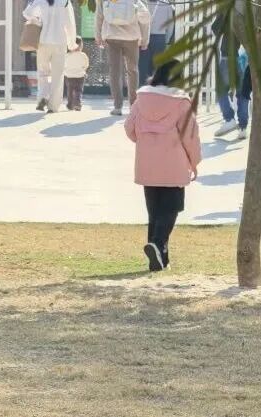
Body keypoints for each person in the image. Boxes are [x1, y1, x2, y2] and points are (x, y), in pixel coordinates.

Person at [124, 59, 202, 271]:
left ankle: (159, 259)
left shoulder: (141, 99)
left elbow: (129, 128)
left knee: (155, 212)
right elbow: (190, 137)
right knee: (171, 209)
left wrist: (145, 142)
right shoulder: (181, 102)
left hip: (147, 164)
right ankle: (158, 245)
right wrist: (194, 161)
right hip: (174, 165)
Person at [96, 0, 151, 116]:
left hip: (111, 36)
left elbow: (99, 16)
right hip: (132, 37)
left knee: (115, 72)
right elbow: (145, 19)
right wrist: (145, 40)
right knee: (133, 70)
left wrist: (98, 36)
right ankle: (133, 105)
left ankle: (117, 106)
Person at [23, 0, 77, 113]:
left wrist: (38, 19)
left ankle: (42, 97)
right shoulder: (65, 2)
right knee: (57, 75)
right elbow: (70, 23)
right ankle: (53, 105)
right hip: (60, 42)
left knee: (43, 72)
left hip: (43, 41)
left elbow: (27, 13)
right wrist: (72, 43)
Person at [138, 0, 174, 83]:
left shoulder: (142, 2)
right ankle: (156, 87)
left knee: (143, 66)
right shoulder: (166, 4)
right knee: (157, 66)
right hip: (160, 37)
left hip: (143, 36)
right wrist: (167, 39)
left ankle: (142, 87)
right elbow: (170, 24)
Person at [65, 36, 89, 111]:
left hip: (69, 76)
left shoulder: (67, 55)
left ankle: (70, 105)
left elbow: (64, 66)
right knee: (78, 90)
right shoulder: (83, 55)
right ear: (81, 45)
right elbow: (86, 65)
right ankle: (77, 104)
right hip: (80, 76)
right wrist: (83, 71)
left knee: (70, 90)